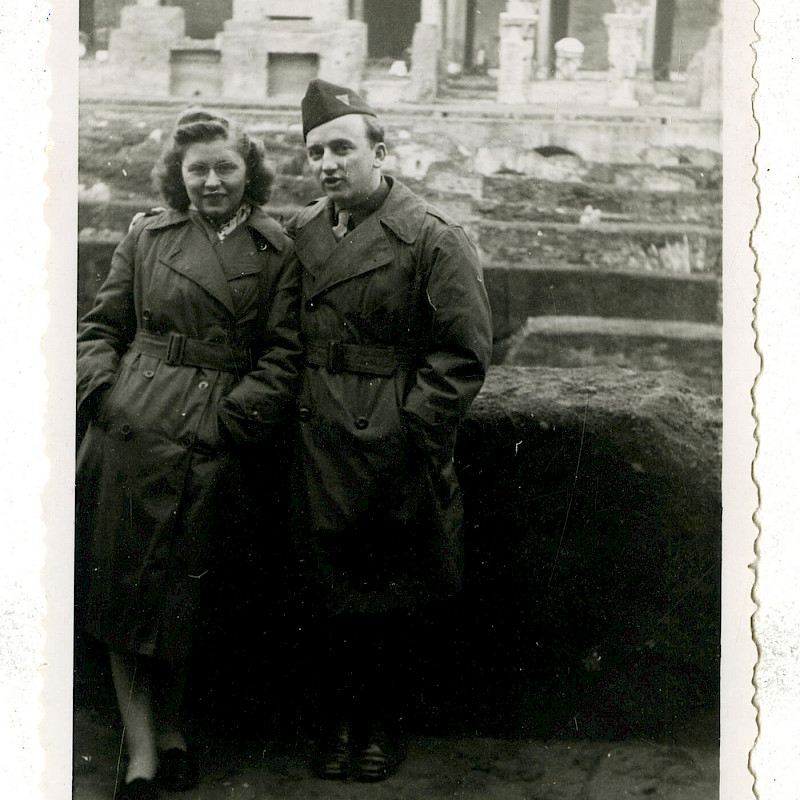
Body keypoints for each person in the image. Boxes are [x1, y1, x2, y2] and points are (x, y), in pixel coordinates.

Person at [75, 109, 302, 800]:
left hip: (213, 435)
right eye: (196, 168)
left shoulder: (276, 249)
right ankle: (141, 748)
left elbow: (283, 353)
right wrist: (105, 395)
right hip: (133, 430)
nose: (210, 181)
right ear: (177, 174)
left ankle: (172, 730)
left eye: (224, 168)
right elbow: (99, 326)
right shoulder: (147, 235)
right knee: (123, 589)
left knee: (184, 594)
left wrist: (234, 419)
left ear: (248, 172)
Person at [286, 79, 493, 782]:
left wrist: (409, 435)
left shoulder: (432, 237)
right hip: (313, 436)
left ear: (381, 149)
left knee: (387, 596)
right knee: (324, 591)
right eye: (316, 152)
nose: (327, 165)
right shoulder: (300, 232)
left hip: (388, 439)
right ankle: (336, 720)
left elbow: (461, 357)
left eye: (342, 148)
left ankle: (380, 723)